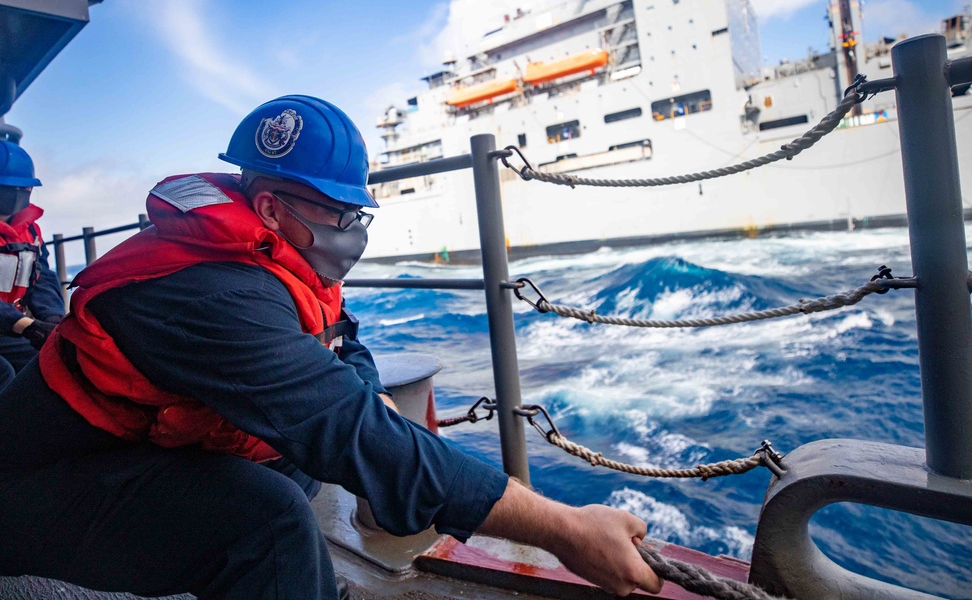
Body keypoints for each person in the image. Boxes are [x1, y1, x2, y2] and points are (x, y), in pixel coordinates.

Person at [0, 96, 662, 599]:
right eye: (341, 215)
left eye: (358, 215)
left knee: (295, 463)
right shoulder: (212, 294)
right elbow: (351, 428)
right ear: (268, 209)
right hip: (31, 488)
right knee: (270, 519)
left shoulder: (281, 262)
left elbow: (345, 353)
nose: (353, 231)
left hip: (132, 450)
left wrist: (367, 412)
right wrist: (567, 529)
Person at [0, 140, 65, 388]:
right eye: (8, 188)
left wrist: (52, 318)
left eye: (24, 188)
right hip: (13, 325)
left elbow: (41, 277)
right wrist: (27, 327)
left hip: (11, 327)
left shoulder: (30, 232)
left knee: (56, 363)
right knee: (4, 373)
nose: (17, 193)